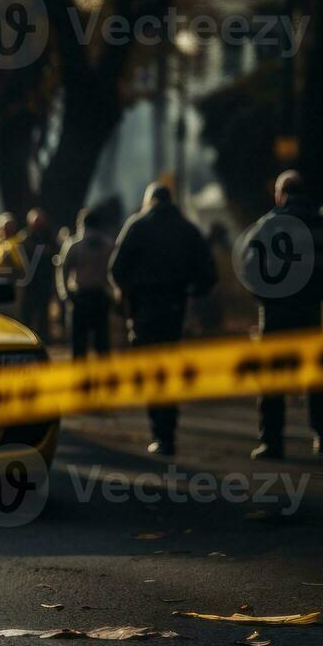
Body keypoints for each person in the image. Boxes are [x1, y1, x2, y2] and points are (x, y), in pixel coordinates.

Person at [108, 182, 216, 456]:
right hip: (175, 307)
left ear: (149, 201)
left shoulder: (137, 225)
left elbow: (116, 269)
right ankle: (167, 432)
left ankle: (161, 433)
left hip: (145, 308)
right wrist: (193, 291)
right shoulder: (188, 229)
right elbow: (208, 271)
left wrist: (130, 292)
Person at [242, 171, 323, 460]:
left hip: (276, 313)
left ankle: (272, 442)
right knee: (317, 377)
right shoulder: (321, 225)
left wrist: (263, 298)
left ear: (280, 193)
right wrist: (318, 292)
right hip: (310, 310)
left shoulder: (268, 225)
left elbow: (250, 268)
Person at [56, 208, 114, 358]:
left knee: (79, 345)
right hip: (101, 295)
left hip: (80, 296)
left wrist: (65, 294)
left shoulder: (74, 244)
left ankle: (80, 378)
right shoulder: (108, 243)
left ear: (81, 223)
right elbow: (114, 269)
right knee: (102, 343)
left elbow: (63, 269)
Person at [18, 208, 57, 338]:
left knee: (43, 312)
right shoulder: (25, 236)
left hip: (44, 280)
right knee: (27, 312)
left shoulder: (48, 235)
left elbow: (54, 251)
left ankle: (45, 337)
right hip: (30, 281)